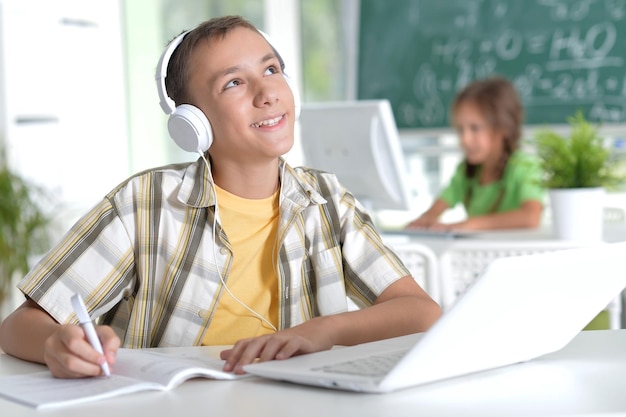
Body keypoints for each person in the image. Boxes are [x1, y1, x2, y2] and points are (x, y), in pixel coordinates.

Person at [0, 15, 441, 378]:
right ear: (192, 123)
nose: (267, 93)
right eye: (234, 83)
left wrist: (323, 331)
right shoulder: (145, 204)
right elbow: (20, 326)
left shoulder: (327, 201)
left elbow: (421, 312)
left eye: (271, 70)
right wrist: (57, 344)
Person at [405, 76, 544, 231]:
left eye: (475, 128)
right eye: (460, 129)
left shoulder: (525, 166)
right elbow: (434, 212)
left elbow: (531, 217)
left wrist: (468, 224)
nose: (465, 139)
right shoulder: (465, 171)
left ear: (503, 128)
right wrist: (422, 222)